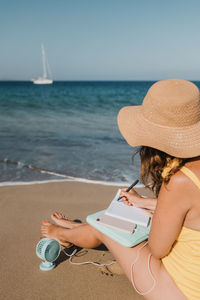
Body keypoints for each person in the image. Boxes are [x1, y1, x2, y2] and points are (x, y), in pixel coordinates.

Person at [41, 79, 200, 300]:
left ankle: (63, 234)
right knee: (112, 221)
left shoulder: (180, 181)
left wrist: (153, 214)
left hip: (181, 290)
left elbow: (157, 248)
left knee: (106, 227)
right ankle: (77, 230)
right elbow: (192, 211)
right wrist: (144, 203)